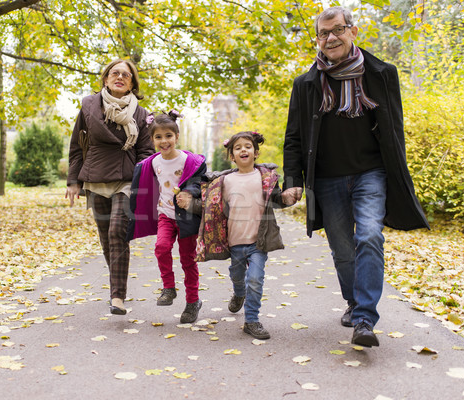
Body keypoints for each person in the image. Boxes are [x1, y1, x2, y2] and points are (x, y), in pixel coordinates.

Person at [281, 6, 430, 347]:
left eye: (336, 30)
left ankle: (364, 318)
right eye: (323, 33)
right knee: (343, 249)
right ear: (317, 39)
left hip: (371, 174)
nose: (330, 38)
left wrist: (398, 173)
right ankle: (353, 302)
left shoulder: (381, 74)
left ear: (352, 31)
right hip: (327, 178)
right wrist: (292, 181)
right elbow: (294, 136)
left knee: (369, 236)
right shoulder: (305, 84)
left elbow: (394, 128)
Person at [66, 59, 155, 316]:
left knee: (117, 231)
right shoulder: (88, 106)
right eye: (115, 73)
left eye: (126, 75)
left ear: (131, 84)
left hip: (126, 180)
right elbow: (76, 146)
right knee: (106, 238)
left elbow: (146, 153)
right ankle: (117, 285)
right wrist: (74, 181)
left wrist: (141, 186)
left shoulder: (141, 114)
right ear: (105, 79)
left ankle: (117, 296)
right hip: (95, 178)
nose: (120, 77)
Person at [193, 131, 284, 340]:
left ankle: (251, 321)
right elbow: (210, 206)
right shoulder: (225, 181)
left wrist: (287, 197)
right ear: (232, 156)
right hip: (234, 242)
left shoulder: (266, 178)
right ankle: (239, 293)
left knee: (255, 279)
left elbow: (277, 199)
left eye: (248, 146)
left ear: (256, 152)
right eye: (238, 147)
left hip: (258, 242)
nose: (243, 149)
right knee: (237, 275)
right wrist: (189, 203)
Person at [127, 110, 206, 323]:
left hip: (186, 217)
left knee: (187, 260)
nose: (164, 141)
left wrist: (190, 193)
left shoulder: (189, 160)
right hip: (166, 215)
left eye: (168, 136)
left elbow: (199, 182)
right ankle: (169, 287)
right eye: (158, 137)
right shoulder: (152, 163)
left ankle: (193, 302)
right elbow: (147, 183)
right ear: (152, 139)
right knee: (161, 247)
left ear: (177, 137)